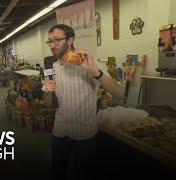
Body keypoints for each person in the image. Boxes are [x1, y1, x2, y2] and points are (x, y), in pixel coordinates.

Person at [44, 24, 124, 180]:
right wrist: (47, 90)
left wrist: (94, 72)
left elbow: (119, 93)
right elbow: (48, 103)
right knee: (57, 172)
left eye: (57, 40)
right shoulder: (50, 66)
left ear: (70, 40)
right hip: (59, 132)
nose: (52, 45)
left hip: (85, 134)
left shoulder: (87, 62)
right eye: (50, 41)